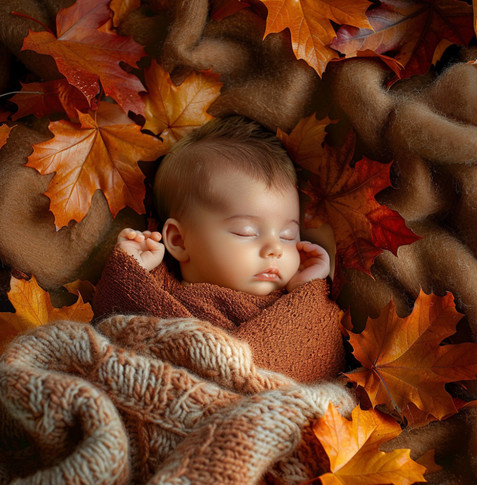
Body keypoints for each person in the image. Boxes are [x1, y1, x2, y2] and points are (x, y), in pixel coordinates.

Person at [93, 116, 345, 383]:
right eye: (246, 232)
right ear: (179, 241)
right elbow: (113, 321)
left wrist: (309, 289)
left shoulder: (292, 303)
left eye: (288, 235)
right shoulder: (157, 293)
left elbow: (323, 351)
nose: (275, 248)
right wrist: (131, 269)